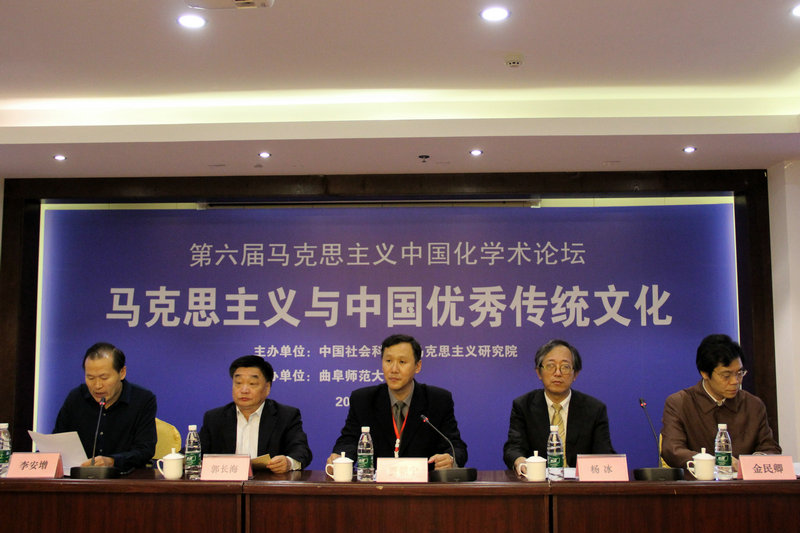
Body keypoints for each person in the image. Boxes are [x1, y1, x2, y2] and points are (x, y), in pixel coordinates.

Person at [327, 334, 467, 470]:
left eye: (402, 362)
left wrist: (450, 458)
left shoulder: (438, 400)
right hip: (377, 483)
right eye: (388, 361)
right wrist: (340, 457)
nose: (394, 369)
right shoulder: (363, 400)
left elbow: (456, 446)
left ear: (417, 366)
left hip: (424, 483)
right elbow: (349, 441)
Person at [661, 334, 781, 471]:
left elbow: (770, 448)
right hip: (698, 481)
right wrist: (716, 462)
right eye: (726, 375)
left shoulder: (753, 405)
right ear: (704, 373)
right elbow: (672, 450)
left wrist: (752, 463)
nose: (735, 381)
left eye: (740, 373)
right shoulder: (680, 403)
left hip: (744, 482)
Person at [503, 339, 615, 473]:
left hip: (579, 483)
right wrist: (521, 462)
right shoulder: (523, 406)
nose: (557, 373)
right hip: (538, 481)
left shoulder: (594, 409)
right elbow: (514, 448)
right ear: (539, 372)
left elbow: (604, 453)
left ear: (575, 374)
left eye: (565, 367)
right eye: (550, 366)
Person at [53, 342, 157, 472]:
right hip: (80, 478)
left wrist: (113, 461)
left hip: (125, 478)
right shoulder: (76, 397)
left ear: (122, 372)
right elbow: (57, 440)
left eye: (104, 377)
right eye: (90, 378)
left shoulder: (142, 400)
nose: (97, 386)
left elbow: (145, 450)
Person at [199, 355, 312, 473]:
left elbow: (301, 451)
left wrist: (288, 462)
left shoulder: (286, 416)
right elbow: (197, 454)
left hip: (267, 482)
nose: (244, 390)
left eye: (252, 384)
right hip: (226, 482)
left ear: (267, 388)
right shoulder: (214, 418)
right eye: (238, 383)